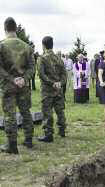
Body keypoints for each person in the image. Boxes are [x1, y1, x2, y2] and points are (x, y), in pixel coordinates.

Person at [0, 17, 34, 154]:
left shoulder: (1, 46)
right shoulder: (27, 47)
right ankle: (29, 139)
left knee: (10, 115)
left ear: (5, 28)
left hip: (8, 86)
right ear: (15, 29)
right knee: (26, 112)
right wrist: (24, 79)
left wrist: (11, 79)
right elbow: (32, 68)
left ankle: (12, 145)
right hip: (23, 86)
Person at [37, 36, 67, 142]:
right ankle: (62, 130)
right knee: (60, 111)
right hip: (58, 89)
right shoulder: (58, 58)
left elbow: (41, 74)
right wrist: (60, 83)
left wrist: (52, 83)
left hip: (47, 90)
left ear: (43, 45)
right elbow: (64, 74)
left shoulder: (42, 58)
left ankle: (48, 134)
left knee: (47, 112)